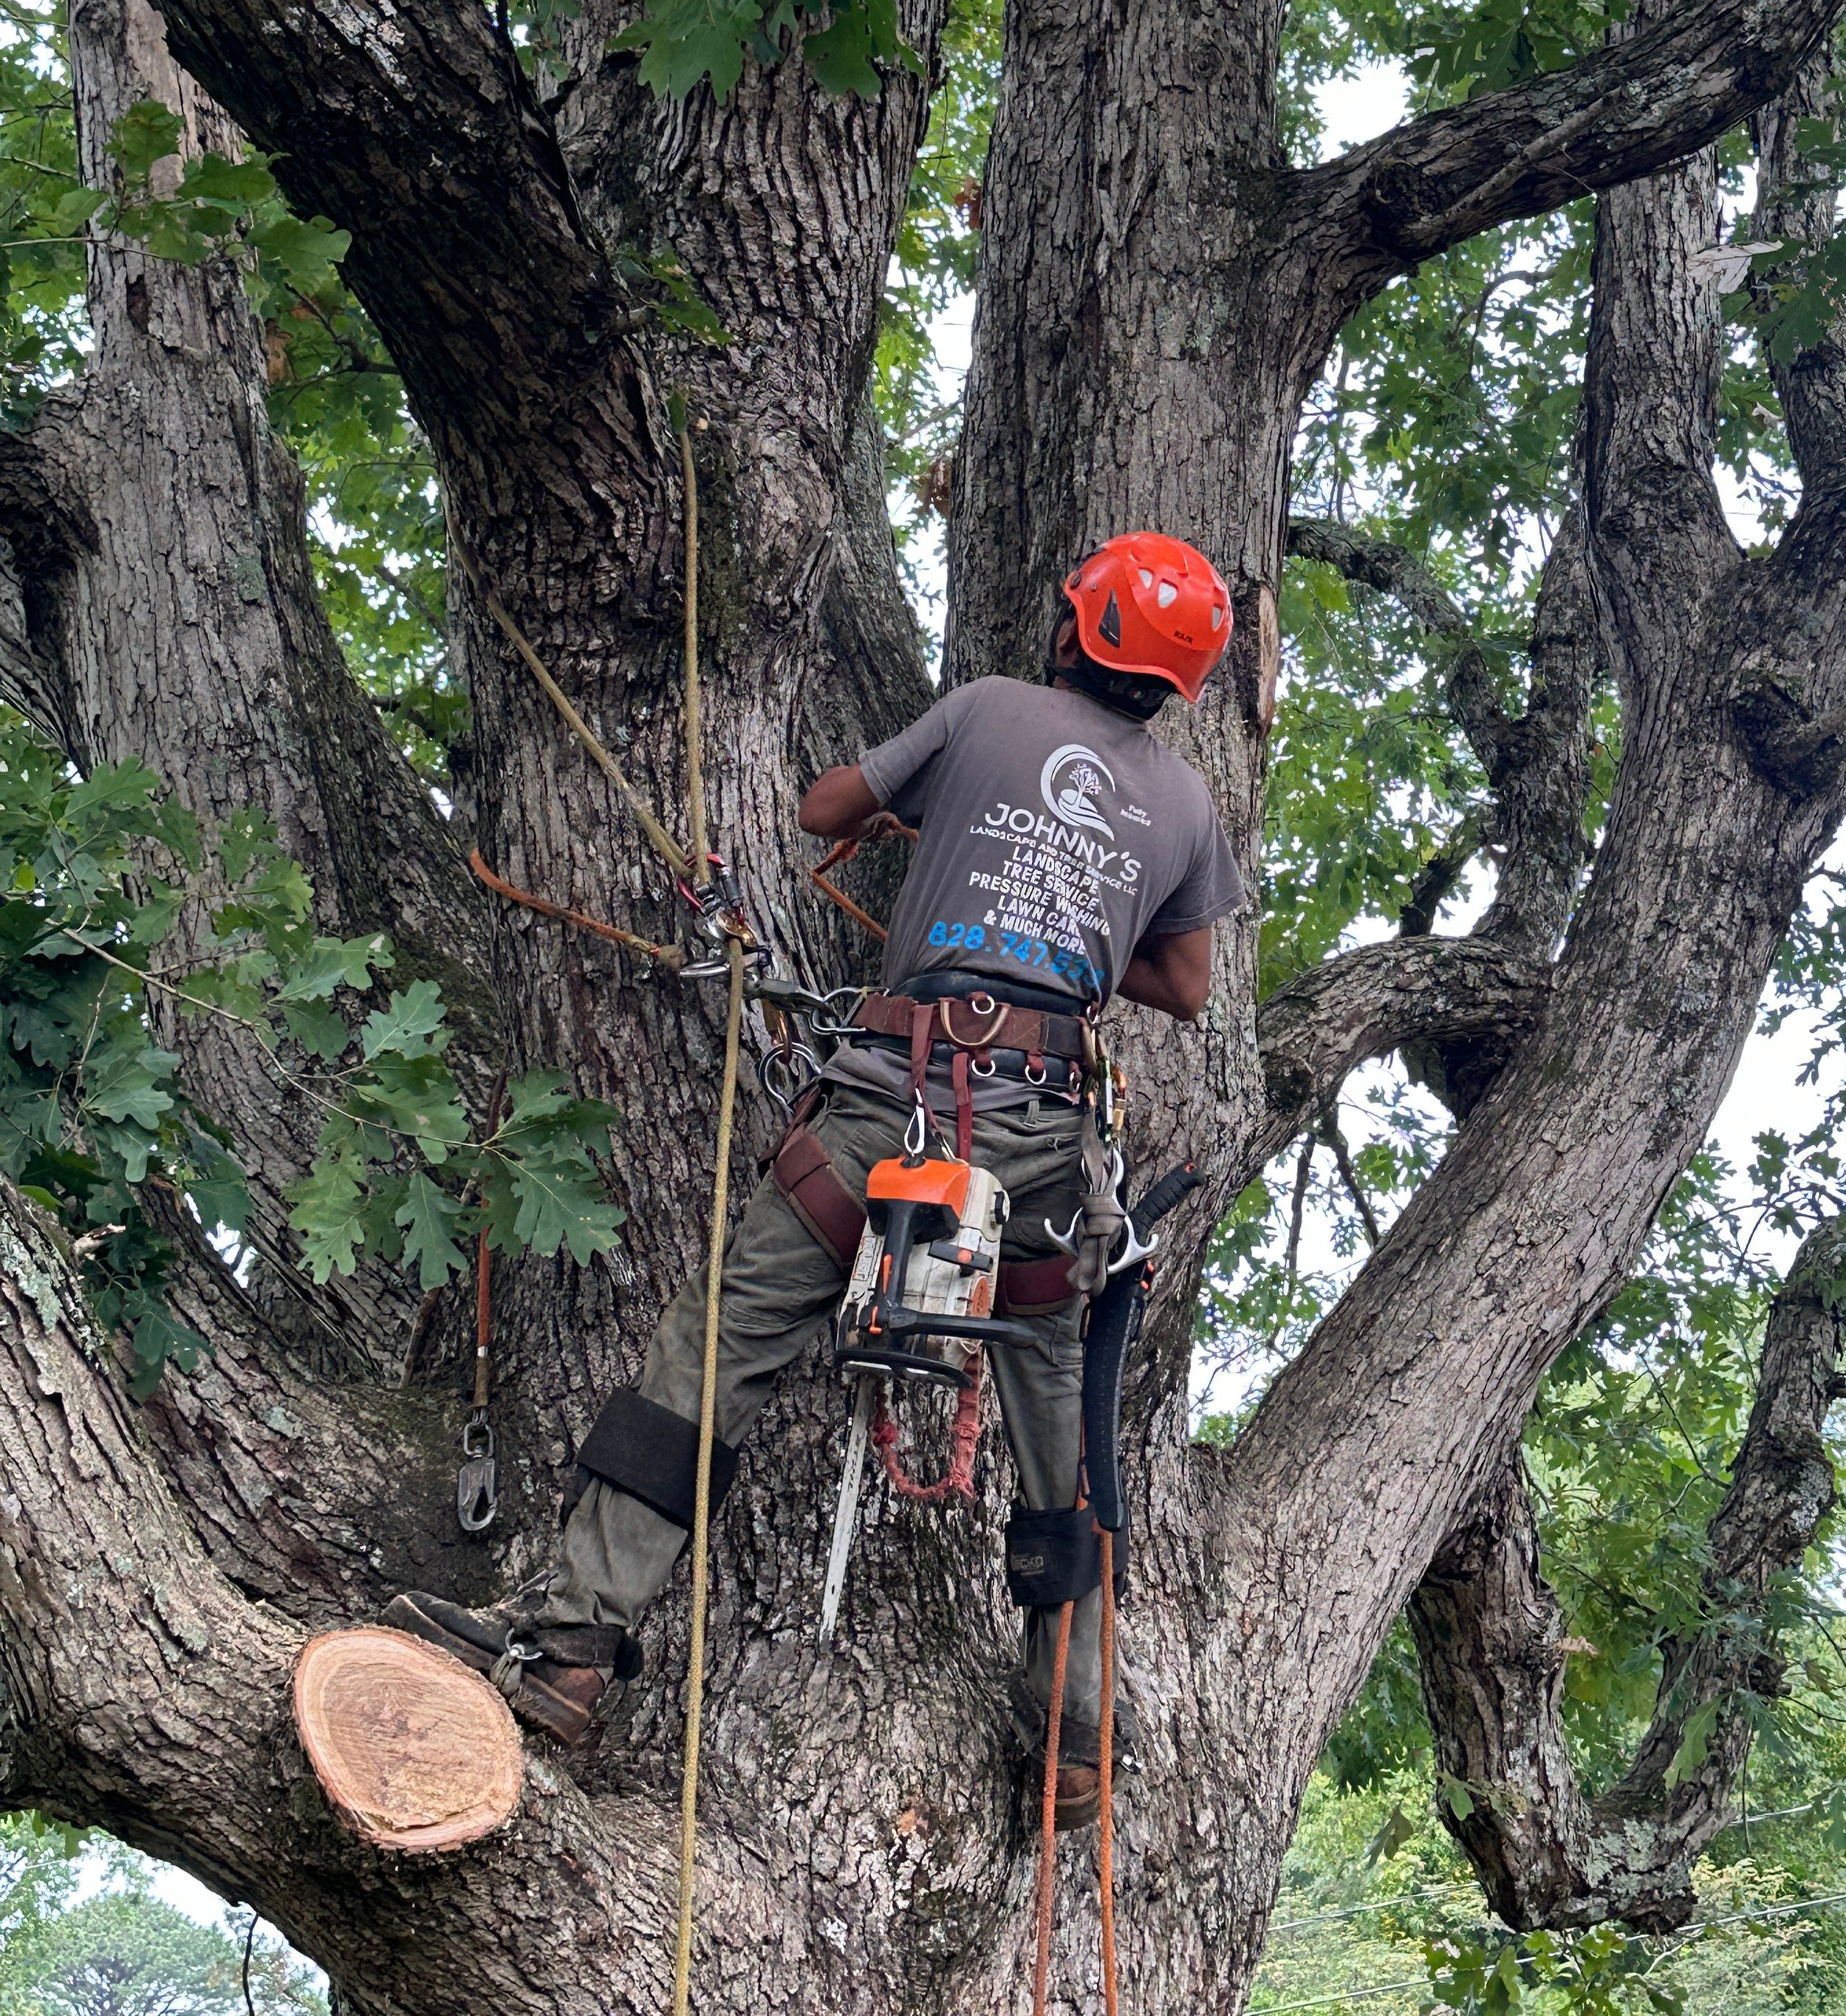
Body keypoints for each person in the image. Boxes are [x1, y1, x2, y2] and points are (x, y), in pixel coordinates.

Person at [388, 532, 1245, 1831]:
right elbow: (1181, 986)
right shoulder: (1184, 809)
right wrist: (1078, 933)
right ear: (1176, 684)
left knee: (717, 1342)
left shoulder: (985, 711)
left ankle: (568, 1653)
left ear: (1078, 629)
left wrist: (942, 811)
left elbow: (821, 810)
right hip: (1042, 1134)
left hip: (889, 1101)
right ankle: (1074, 1737)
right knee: (1059, 1428)